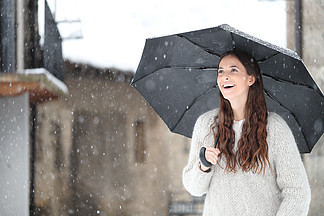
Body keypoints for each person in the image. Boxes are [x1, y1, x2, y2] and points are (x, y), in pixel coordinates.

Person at [182, 50, 311, 216]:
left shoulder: (274, 128)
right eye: (220, 71)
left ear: (251, 79)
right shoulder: (206, 124)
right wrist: (203, 165)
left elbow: (297, 191)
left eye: (233, 70)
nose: (224, 76)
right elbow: (194, 188)